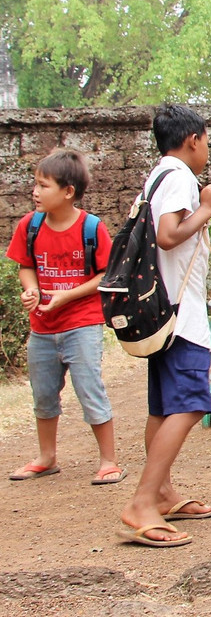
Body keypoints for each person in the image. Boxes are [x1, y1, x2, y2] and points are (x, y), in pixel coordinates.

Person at [118, 104, 211, 548]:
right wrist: (208, 208)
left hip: (161, 309)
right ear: (193, 140)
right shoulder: (181, 175)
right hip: (181, 314)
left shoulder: (157, 174)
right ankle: (142, 501)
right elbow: (167, 234)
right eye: (206, 141)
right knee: (192, 403)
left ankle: (161, 492)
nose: (206, 149)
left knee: (163, 407)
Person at [6, 148, 121, 484]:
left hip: (81, 324)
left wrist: (64, 297)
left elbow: (105, 276)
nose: (35, 192)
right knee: (43, 394)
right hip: (42, 328)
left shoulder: (91, 228)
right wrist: (32, 291)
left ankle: (108, 460)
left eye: (43, 185)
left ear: (68, 191)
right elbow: (25, 266)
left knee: (89, 389)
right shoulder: (30, 225)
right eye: (35, 185)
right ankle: (46, 457)